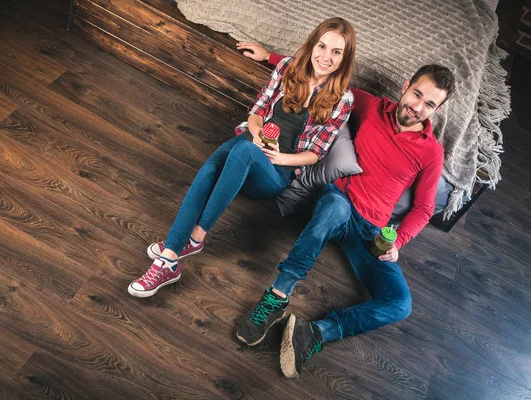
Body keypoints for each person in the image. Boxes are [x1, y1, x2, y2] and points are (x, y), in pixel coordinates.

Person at [235, 43, 455, 378]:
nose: (417, 107)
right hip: (337, 204)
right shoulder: (369, 105)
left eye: (429, 104)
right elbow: (323, 80)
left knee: (400, 303)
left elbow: (425, 208)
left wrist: (398, 241)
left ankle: (317, 332)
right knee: (335, 208)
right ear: (405, 88)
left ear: (436, 110)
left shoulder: (431, 152)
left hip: (371, 231)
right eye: (416, 95)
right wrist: (270, 57)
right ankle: (277, 297)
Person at [128, 18, 357, 297]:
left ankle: (197, 235)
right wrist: (257, 132)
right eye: (322, 46)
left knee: (243, 150)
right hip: (249, 142)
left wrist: (279, 158)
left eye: (336, 52)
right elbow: (257, 110)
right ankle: (169, 257)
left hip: (274, 171)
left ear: (345, 59)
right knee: (212, 168)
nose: (326, 56)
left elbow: (316, 153)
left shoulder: (342, 99)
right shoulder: (287, 68)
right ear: (312, 45)